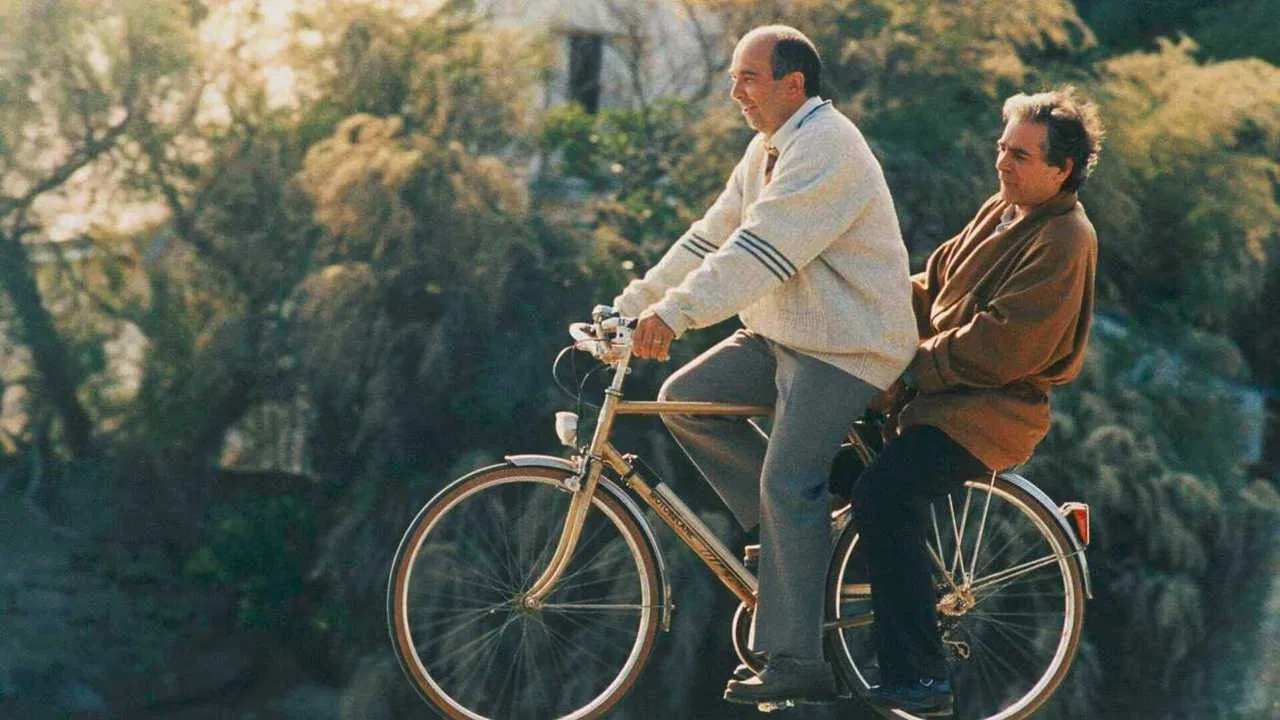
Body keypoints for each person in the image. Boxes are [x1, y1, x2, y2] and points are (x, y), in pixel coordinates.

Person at [611, 24, 917, 706]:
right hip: (784, 337)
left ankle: (796, 660)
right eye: (732, 79)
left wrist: (675, 316)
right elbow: (709, 236)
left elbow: (758, 252)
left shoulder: (828, 147)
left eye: (747, 78)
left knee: (787, 480)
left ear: (793, 85)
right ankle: (801, 537)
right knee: (685, 399)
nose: (734, 92)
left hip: (848, 343)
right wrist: (628, 310)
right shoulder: (767, 150)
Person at [849, 85, 1105, 717]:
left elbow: (1002, 344)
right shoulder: (1004, 208)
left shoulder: (1065, 238)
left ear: (1061, 168)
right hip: (939, 392)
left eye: (1019, 155)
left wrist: (909, 372)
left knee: (886, 493)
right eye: (1001, 148)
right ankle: (821, 596)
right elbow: (933, 282)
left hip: (988, 409)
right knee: (816, 442)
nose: (1003, 163)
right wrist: (859, 310)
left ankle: (922, 674)